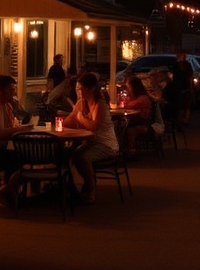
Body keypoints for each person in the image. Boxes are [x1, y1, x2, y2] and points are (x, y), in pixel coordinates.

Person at [62, 72, 119, 204]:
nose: (79, 92)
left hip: (106, 144)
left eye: (81, 88)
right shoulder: (82, 102)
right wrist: (69, 119)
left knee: (82, 157)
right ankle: (69, 187)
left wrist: (80, 117)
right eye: (78, 88)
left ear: (91, 88)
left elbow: (93, 127)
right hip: (91, 142)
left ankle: (90, 189)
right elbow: (68, 121)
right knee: (70, 154)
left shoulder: (100, 104)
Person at [121, 76, 155, 155]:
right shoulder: (137, 98)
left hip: (145, 125)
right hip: (137, 121)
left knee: (128, 129)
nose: (128, 89)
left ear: (134, 87)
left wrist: (126, 99)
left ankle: (131, 150)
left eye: (129, 86)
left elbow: (128, 106)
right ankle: (125, 149)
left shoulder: (142, 99)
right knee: (122, 126)